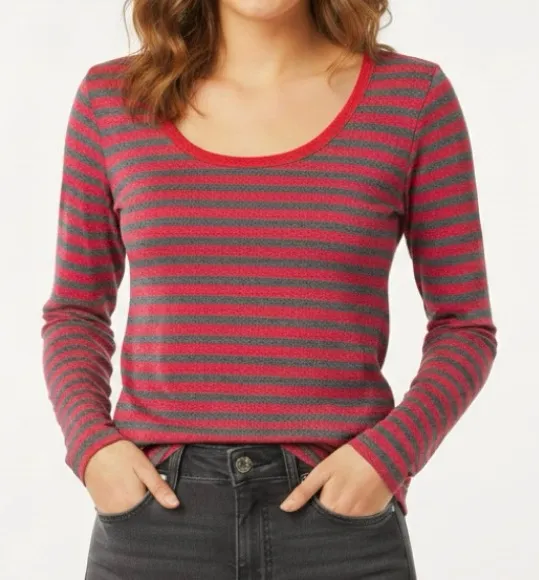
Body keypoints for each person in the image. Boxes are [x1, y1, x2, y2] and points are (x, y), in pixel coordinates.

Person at [41, 0, 497, 578]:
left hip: (340, 524)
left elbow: (464, 326)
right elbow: (76, 311)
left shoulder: (411, 99)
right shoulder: (113, 100)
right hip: (157, 522)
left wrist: (388, 457)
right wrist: (92, 448)